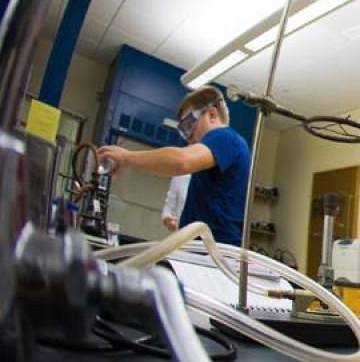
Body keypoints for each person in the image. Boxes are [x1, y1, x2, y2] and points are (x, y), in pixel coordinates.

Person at [99, 86, 251, 245]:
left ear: (212, 114)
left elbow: (181, 161)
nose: (189, 136)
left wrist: (127, 156)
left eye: (189, 124)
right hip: (203, 250)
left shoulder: (225, 137)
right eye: (183, 131)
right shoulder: (218, 153)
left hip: (214, 254)